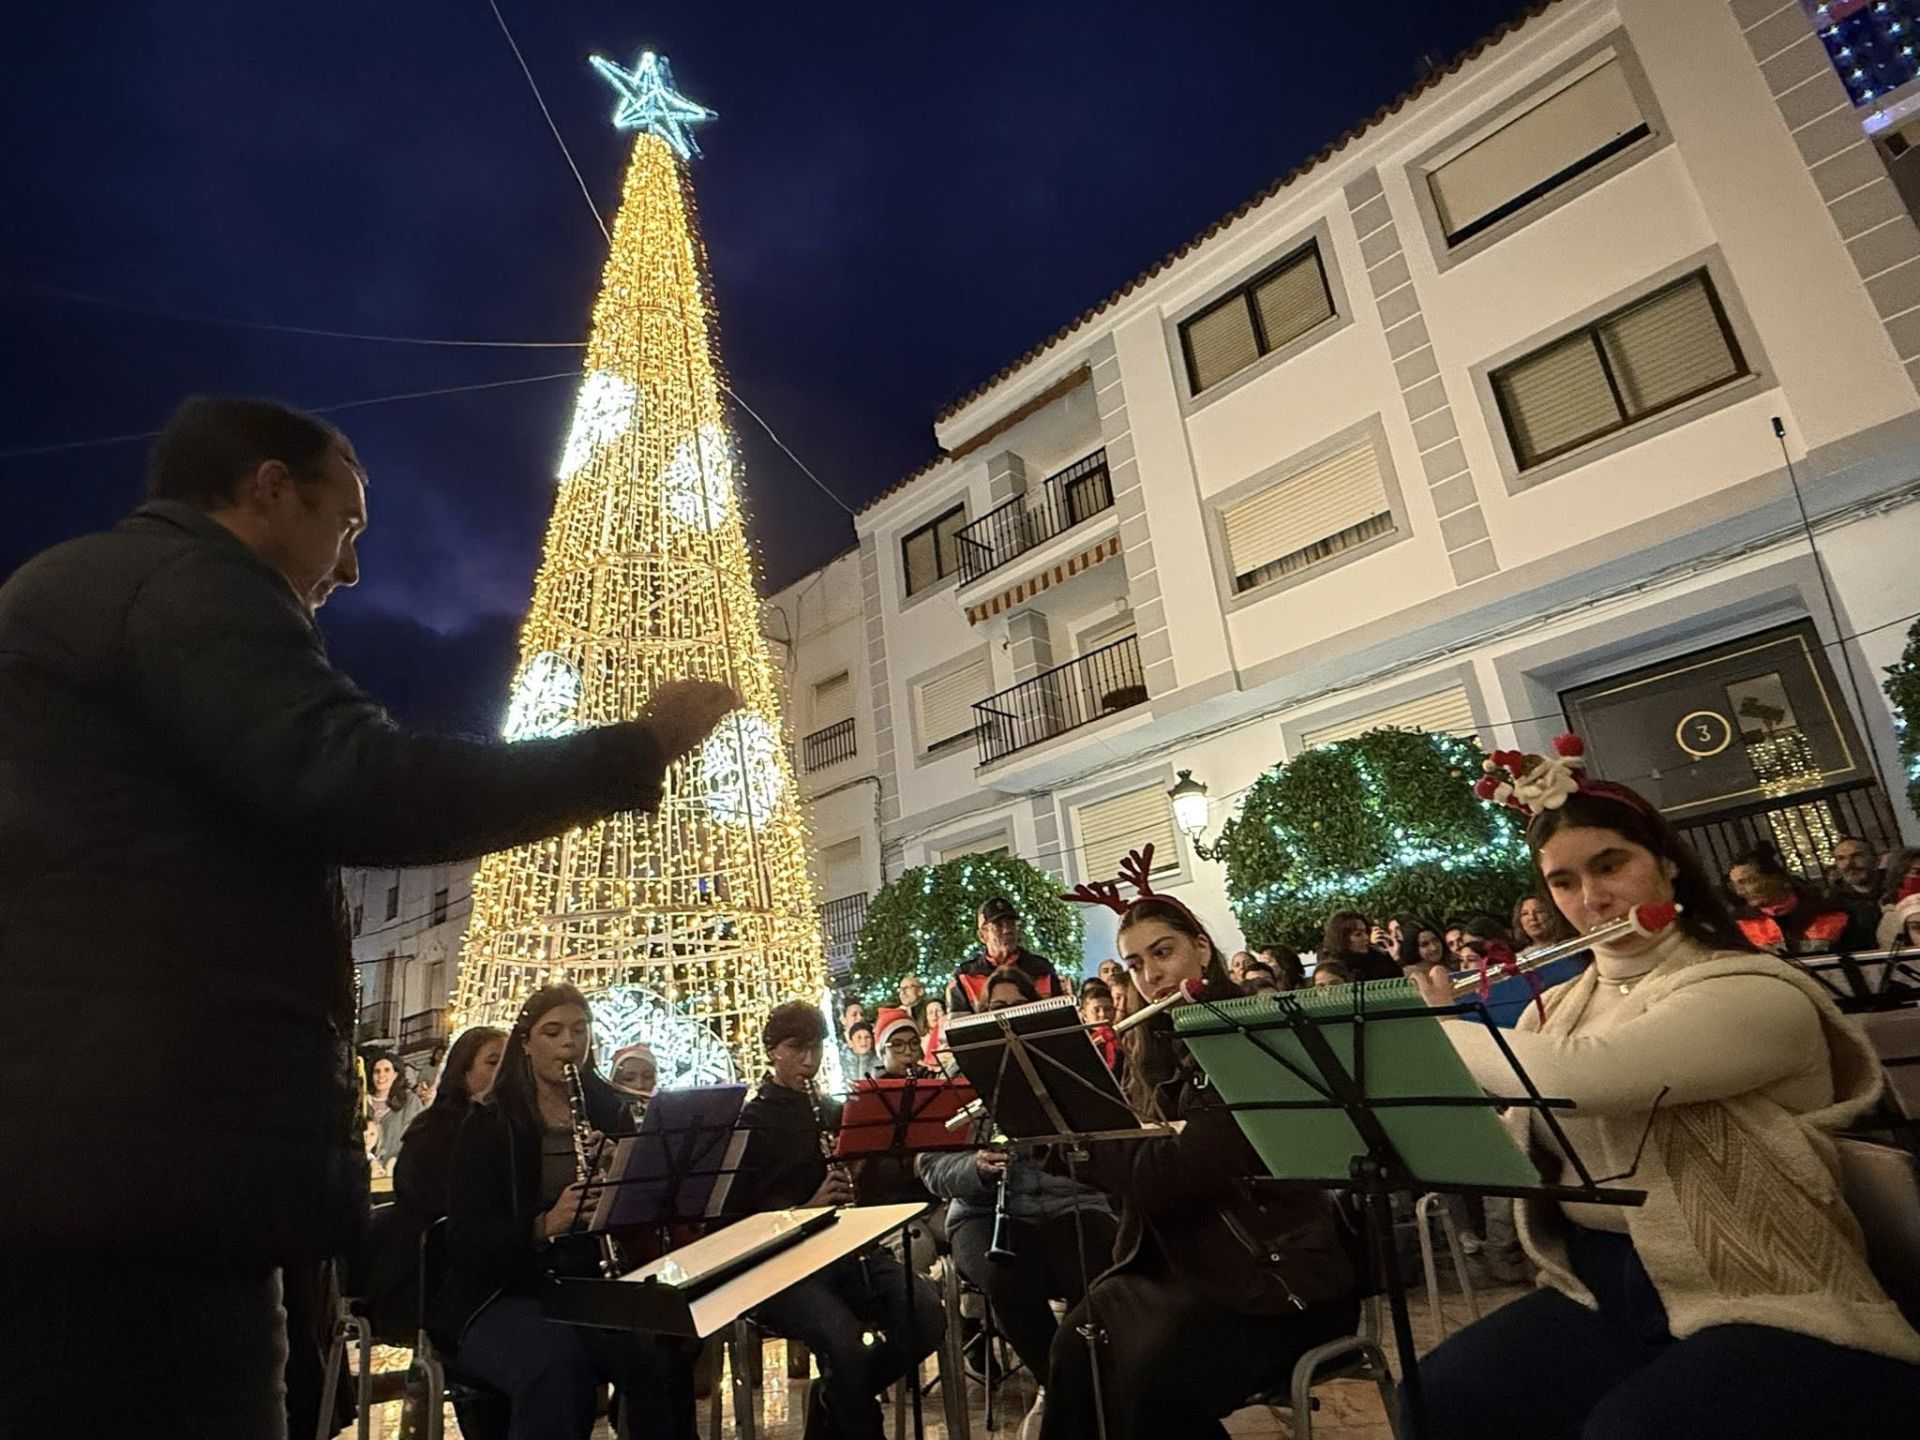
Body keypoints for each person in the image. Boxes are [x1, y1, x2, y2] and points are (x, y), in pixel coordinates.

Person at [0, 395, 739, 1440]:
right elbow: (365, 780)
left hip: (96, 1147)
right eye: (343, 526)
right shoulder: (191, 586)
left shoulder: (78, 595)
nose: (348, 570)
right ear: (268, 490)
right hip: (144, 1166)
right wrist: (634, 749)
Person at [1409, 754, 1920, 1438]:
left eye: (1610, 865)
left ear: (1666, 863)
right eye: (1563, 881)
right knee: (1440, 1394)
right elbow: (1524, 1136)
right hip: (1602, 1283)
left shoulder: (1748, 987)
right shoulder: (1558, 1004)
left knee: (1637, 1429)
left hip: (1767, 1287)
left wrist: (1439, 1027)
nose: (1590, 899)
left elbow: (1587, 1076)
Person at [1040, 889, 1360, 1439]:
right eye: (1136, 964)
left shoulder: (1248, 1036)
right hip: (1185, 1271)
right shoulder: (1148, 1048)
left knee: (1145, 1379)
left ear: (1202, 950)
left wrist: (1081, 1144)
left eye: (1163, 953)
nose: (1151, 977)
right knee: (1079, 1340)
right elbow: (1140, 1169)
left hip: (1276, 1278)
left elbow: (1178, 1172)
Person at [439, 985, 693, 1440]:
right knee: (557, 1365)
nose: (568, 1043)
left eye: (579, 1030)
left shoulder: (608, 1108)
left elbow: (641, 1217)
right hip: (496, 1296)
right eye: (552, 1032)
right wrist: (544, 1225)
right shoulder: (489, 1122)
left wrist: (623, 1177)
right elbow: (465, 1243)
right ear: (526, 1043)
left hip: (583, 1285)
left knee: (658, 1347)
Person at [918, 963, 1117, 1436]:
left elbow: (1112, 1142)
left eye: (1017, 1009)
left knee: (1104, 1272)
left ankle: (1088, 1390)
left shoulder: (1071, 1064)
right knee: (1006, 1277)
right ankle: (1064, 1388)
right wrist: (975, 1168)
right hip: (986, 1211)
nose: (1006, 1018)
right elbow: (929, 1164)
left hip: (1070, 1202)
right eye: (995, 1009)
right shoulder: (958, 1073)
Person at [732, 1001, 942, 1440]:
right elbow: (739, 1218)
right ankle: (856, 1416)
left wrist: (862, 1173)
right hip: (781, 1266)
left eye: (817, 1048)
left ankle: (834, 1395)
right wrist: (807, 1206)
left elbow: (869, 1192)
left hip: (847, 1250)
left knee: (926, 1317)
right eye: (797, 1048)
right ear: (773, 1050)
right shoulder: (749, 1121)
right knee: (842, 1340)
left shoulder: (834, 1110)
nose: (809, 1060)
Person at [1727, 841, 1879, 956]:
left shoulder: (1834, 912)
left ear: (1776, 878)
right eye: (1735, 885)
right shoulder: (1738, 925)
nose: (1741, 892)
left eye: (1748, 881)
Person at [948, 895, 1064, 1014]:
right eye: (998, 926)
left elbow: (1061, 1015)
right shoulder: (965, 976)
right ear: (983, 936)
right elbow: (958, 1025)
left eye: (1011, 924)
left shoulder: (1042, 969)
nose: (1007, 930)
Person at [366, 1048, 422, 1167]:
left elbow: (417, 1138)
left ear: (396, 1074)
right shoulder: (363, 1101)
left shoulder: (410, 1102)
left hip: (397, 1169)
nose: (381, 1075)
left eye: (387, 1070)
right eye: (377, 1071)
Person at [1317, 909, 1400, 982]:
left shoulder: (1381, 959)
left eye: (1366, 932)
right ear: (1342, 938)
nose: (1366, 937)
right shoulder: (1332, 968)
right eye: (1358, 934)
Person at [872, 1006, 929, 1080]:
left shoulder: (934, 1082)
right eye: (897, 1045)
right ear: (882, 1052)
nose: (908, 1052)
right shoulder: (868, 1089)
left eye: (914, 1043)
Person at [608, 1042, 659, 1121]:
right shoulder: (608, 1113)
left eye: (647, 1077)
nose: (640, 1085)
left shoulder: (668, 1109)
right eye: (629, 1079)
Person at [1079, 978, 1121, 1069]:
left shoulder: (1124, 1036)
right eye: (1096, 1010)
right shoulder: (1080, 1041)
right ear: (1084, 1015)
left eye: (1108, 1009)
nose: (1102, 1014)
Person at [1829, 835, 1883, 901]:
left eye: (1856, 856)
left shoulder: (1896, 887)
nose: (1848, 863)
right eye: (1841, 858)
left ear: (1876, 861)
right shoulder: (1833, 902)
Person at [920, 998, 948, 1068]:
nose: (935, 1015)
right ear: (926, 1017)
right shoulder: (921, 1041)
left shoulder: (949, 1037)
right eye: (930, 1012)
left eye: (939, 1011)